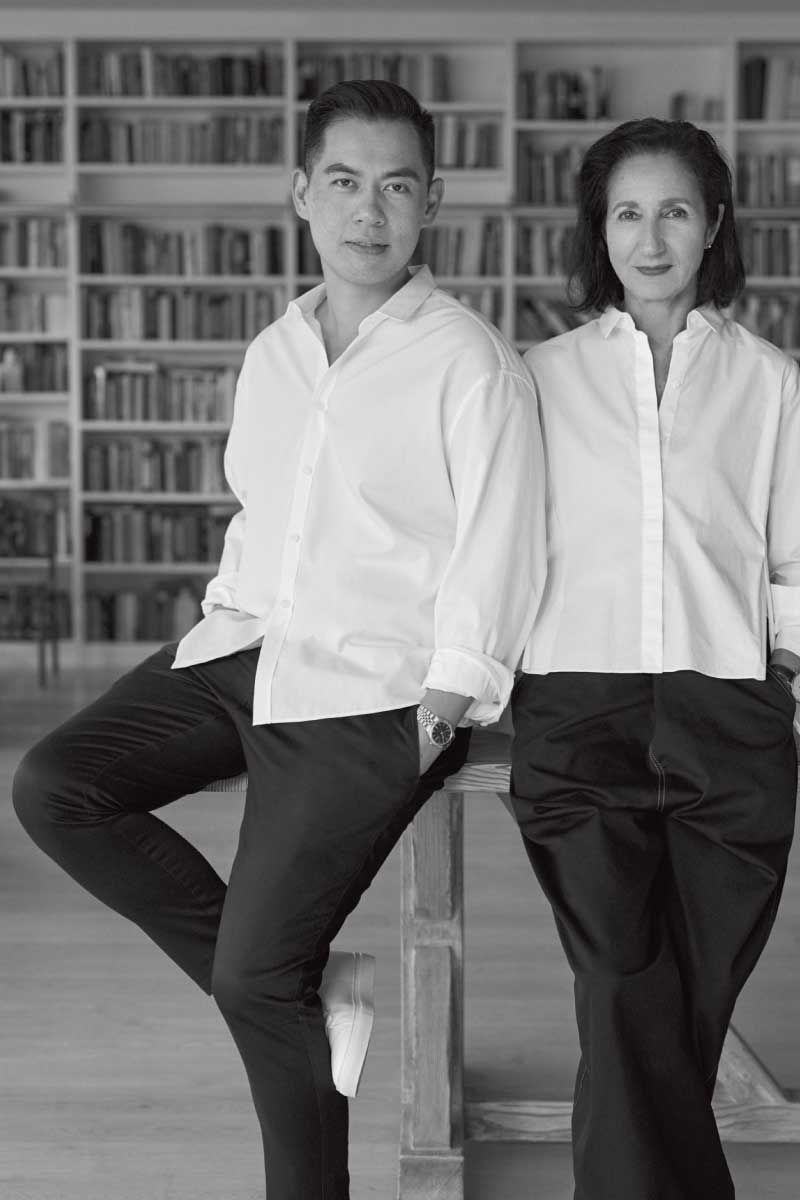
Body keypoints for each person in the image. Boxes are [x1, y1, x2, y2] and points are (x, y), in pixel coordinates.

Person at [12, 80, 546, 1200]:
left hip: (375, 688)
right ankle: (293, 977)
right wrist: (223, 625)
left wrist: (449, 698)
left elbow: (503, 541)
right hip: (246, 645)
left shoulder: (470, 361)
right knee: (58, 786)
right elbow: (265, 513)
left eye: (395, 185)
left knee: (258, 986)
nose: (368, 210)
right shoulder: (276, 349)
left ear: (432, 203)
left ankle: (284, 1021)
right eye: (344, 182)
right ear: (300, 193)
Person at [512, 117, 800, 1200]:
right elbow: (507, 542)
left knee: (688, 996)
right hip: (576, 709)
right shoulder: (536, 377)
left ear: (712, 222)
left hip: (728, 709)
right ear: (598, 228)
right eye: (625, 211)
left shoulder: (769, 381)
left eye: (672, 209)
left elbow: (789, 556)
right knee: (621, 981)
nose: (648, 234)